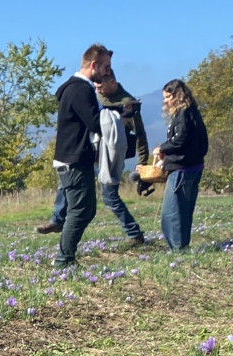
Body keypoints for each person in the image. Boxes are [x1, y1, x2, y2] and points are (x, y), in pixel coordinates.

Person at [38, 69, 150, 248]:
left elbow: (140, 134)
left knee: (110, 197)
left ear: (112, 82)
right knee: (66, 183)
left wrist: (143, 162)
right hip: (91, 152)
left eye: (101, 86)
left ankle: (134, 233)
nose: (98, 89)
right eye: (96, 86)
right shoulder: (94, 97)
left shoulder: (128, 103)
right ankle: (58, 219)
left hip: (110, 156)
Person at [45, 44, 113, 267]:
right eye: (105, 67)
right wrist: (119, 114)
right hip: (74, 159)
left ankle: (66, 258)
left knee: (85, 209)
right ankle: (63, 261)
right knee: (80, 210)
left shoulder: (74, 88)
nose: (107, 72)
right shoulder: (80, 89)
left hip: (73, 158)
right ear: (93, 65)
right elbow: (95, 122)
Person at [154, 79, 208, 251]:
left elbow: (180, 140)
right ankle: (182, 246)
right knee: (184, 211)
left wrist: (162, 148)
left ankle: (176, 249)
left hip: (182, 170)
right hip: (194, 167)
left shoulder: (183, 114)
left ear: (178, 96)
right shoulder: (193, 112)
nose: (166, 101)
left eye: (168, 97)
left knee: (171, 214)